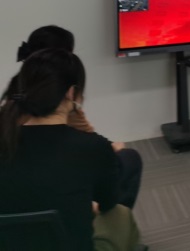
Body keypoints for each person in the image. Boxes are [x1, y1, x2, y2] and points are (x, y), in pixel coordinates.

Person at [0, 49, 141, 251]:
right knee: (120, 214)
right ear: (70, 92)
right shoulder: (92, 147)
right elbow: (108, 203)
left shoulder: (7, 137)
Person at [3, 25, 143, 209]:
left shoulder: (14, 102)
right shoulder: (82, 140)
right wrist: (104, 148)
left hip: (16, 215)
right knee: (127, 159)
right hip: (63, 197)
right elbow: (105, 197)